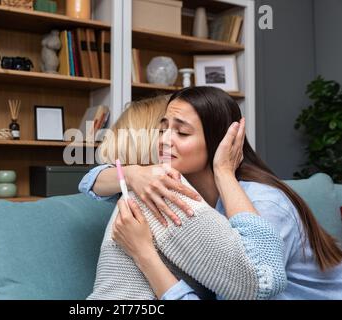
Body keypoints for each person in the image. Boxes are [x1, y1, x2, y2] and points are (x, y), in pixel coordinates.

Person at [80, 87, 342, 300]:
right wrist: (133, 174)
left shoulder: (263, 203)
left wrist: (144, 254)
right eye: (162, 129)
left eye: (181, 132)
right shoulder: (179, 190)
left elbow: (257, 288)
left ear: (219, 142)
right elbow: (90, 183)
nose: (164, 140)